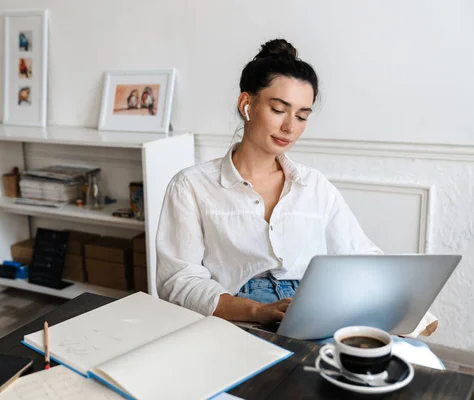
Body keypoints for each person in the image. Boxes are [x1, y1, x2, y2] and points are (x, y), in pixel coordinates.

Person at [156, 38, 439, 348]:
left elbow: (360, 256)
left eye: (302, 116)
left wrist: (413, 308)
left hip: (312, 308)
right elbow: (178, 281)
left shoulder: (314, 185)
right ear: (246, 105)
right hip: (235, 310)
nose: (290, 127)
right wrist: (257, 310)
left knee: (413, 357)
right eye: (279, 110)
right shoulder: (191, 185)